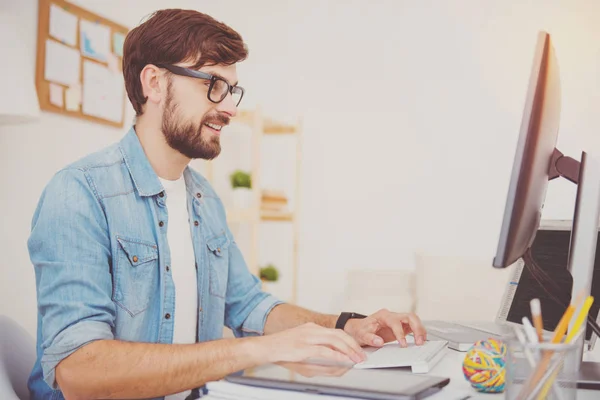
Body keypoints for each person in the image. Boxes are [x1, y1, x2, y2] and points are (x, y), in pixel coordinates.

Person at [27, 9, 427, 400]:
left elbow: (250, 305)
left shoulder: (203, 199)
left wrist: (346, 325)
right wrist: (258, 350)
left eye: (232, 89)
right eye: (213, 84)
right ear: (154, 83)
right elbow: (80, 371)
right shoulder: (79, 194)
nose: (230, 108)